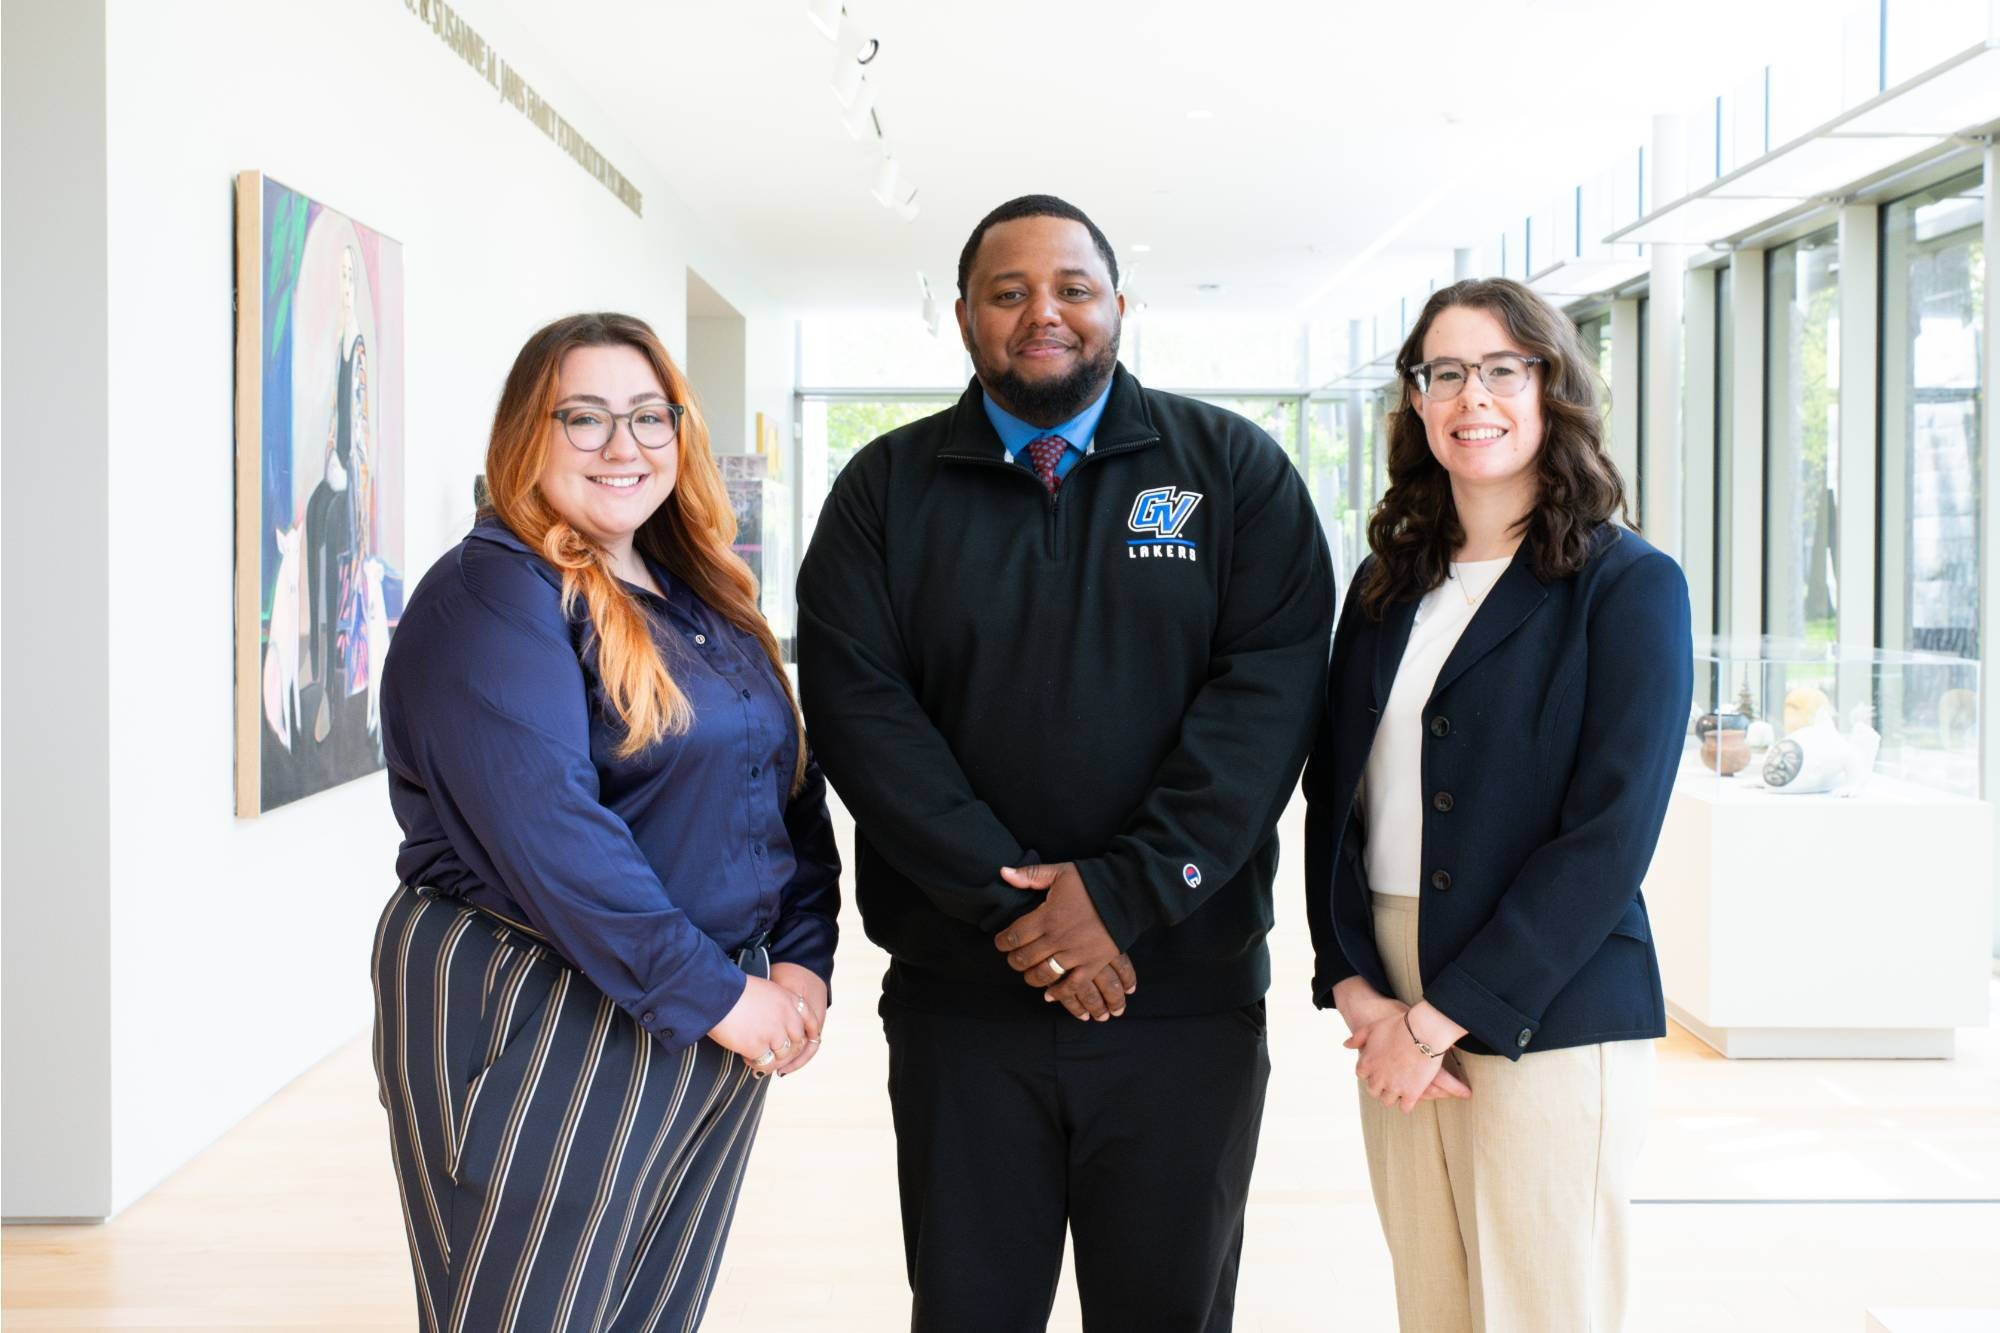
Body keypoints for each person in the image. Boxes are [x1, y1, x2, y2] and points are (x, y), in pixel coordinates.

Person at [797, 194, 1334, 1332]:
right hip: (963, 1011)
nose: (1043, 314)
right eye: (1008, 293)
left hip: (1181, 1005)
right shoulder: (881, 495)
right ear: (962, 318)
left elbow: (1265, 705)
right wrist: (1023, 912)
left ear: (1117, 308)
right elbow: (862, 718)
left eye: (1072, 289)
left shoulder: (1232, 473)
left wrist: (1125, 896)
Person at [372, 312, 839, 1332]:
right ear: (523, 435)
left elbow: (782, 781)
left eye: (647, 416)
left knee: (646, 1309)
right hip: (542, 996)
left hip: (706, 1002)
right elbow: (548, 832)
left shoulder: (699, 593)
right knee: (532, 1310)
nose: (622, 446)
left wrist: (799, 958)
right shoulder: (491, 592)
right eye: (583, 417)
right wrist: (720, 992)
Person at [1302, 278, 1692, 1333]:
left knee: (1539, 1305)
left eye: (1500, 369)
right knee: (1431, 1301)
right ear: (1418, 402)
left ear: (1548, 385)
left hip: (1546, 989)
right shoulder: (1388, 584)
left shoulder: (1626, 586)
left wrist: (1436, 1021)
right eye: (1443, 373)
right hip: (1388, 982)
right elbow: (1334, 794)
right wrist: (1353, 986)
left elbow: (1607, 838)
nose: (1470, 396)